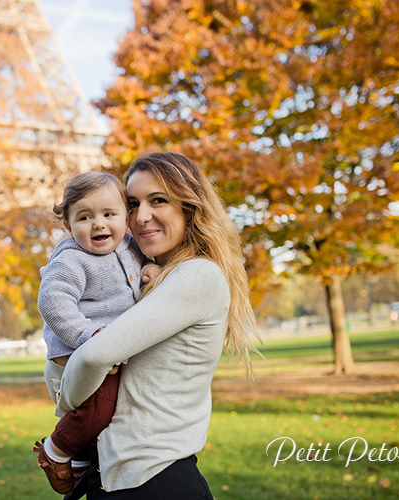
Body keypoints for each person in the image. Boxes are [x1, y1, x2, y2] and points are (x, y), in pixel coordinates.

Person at [55, 152, 262, 499]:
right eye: (132, 204)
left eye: (159, 200)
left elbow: (94, 357)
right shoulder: (154, 277)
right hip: (121, 475)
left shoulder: (196, 274)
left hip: (153, 481)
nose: (141, 216)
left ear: (189, 207)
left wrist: (66, 416)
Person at [33, 171, 161, 494]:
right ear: (68, 225)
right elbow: (53, 302)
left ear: (125, 217)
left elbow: (139, 267)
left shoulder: (129, 246)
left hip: (106, 352)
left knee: (113, 410)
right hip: (75, 355)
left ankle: (79, 460)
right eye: (85, 217)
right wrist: (88, 337)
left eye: (108, 214)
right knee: (100, 407)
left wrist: (149, 270)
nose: (99, 224)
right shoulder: (72, 260)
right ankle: (56, 449)